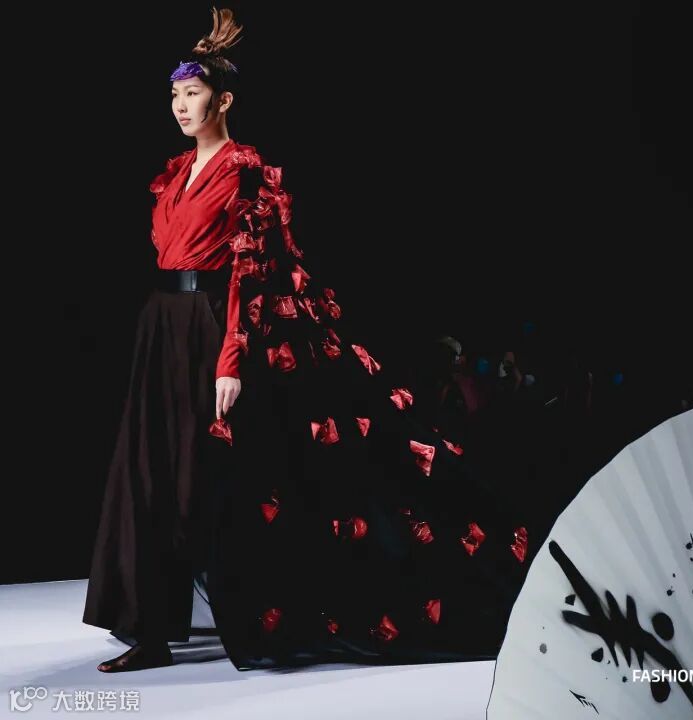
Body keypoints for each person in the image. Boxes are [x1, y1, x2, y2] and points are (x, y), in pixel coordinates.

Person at [83, 7, 530, 673]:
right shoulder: (174, 173)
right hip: (161, 326)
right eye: (174, 94)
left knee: (215, 478)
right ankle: (149, 630)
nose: (180, 105)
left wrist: (231, 358)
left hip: (213, 323)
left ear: (223, 100)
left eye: (193, 93)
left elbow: (247, 272)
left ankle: (266, 612)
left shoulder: (245, 171)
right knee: (147, 471)